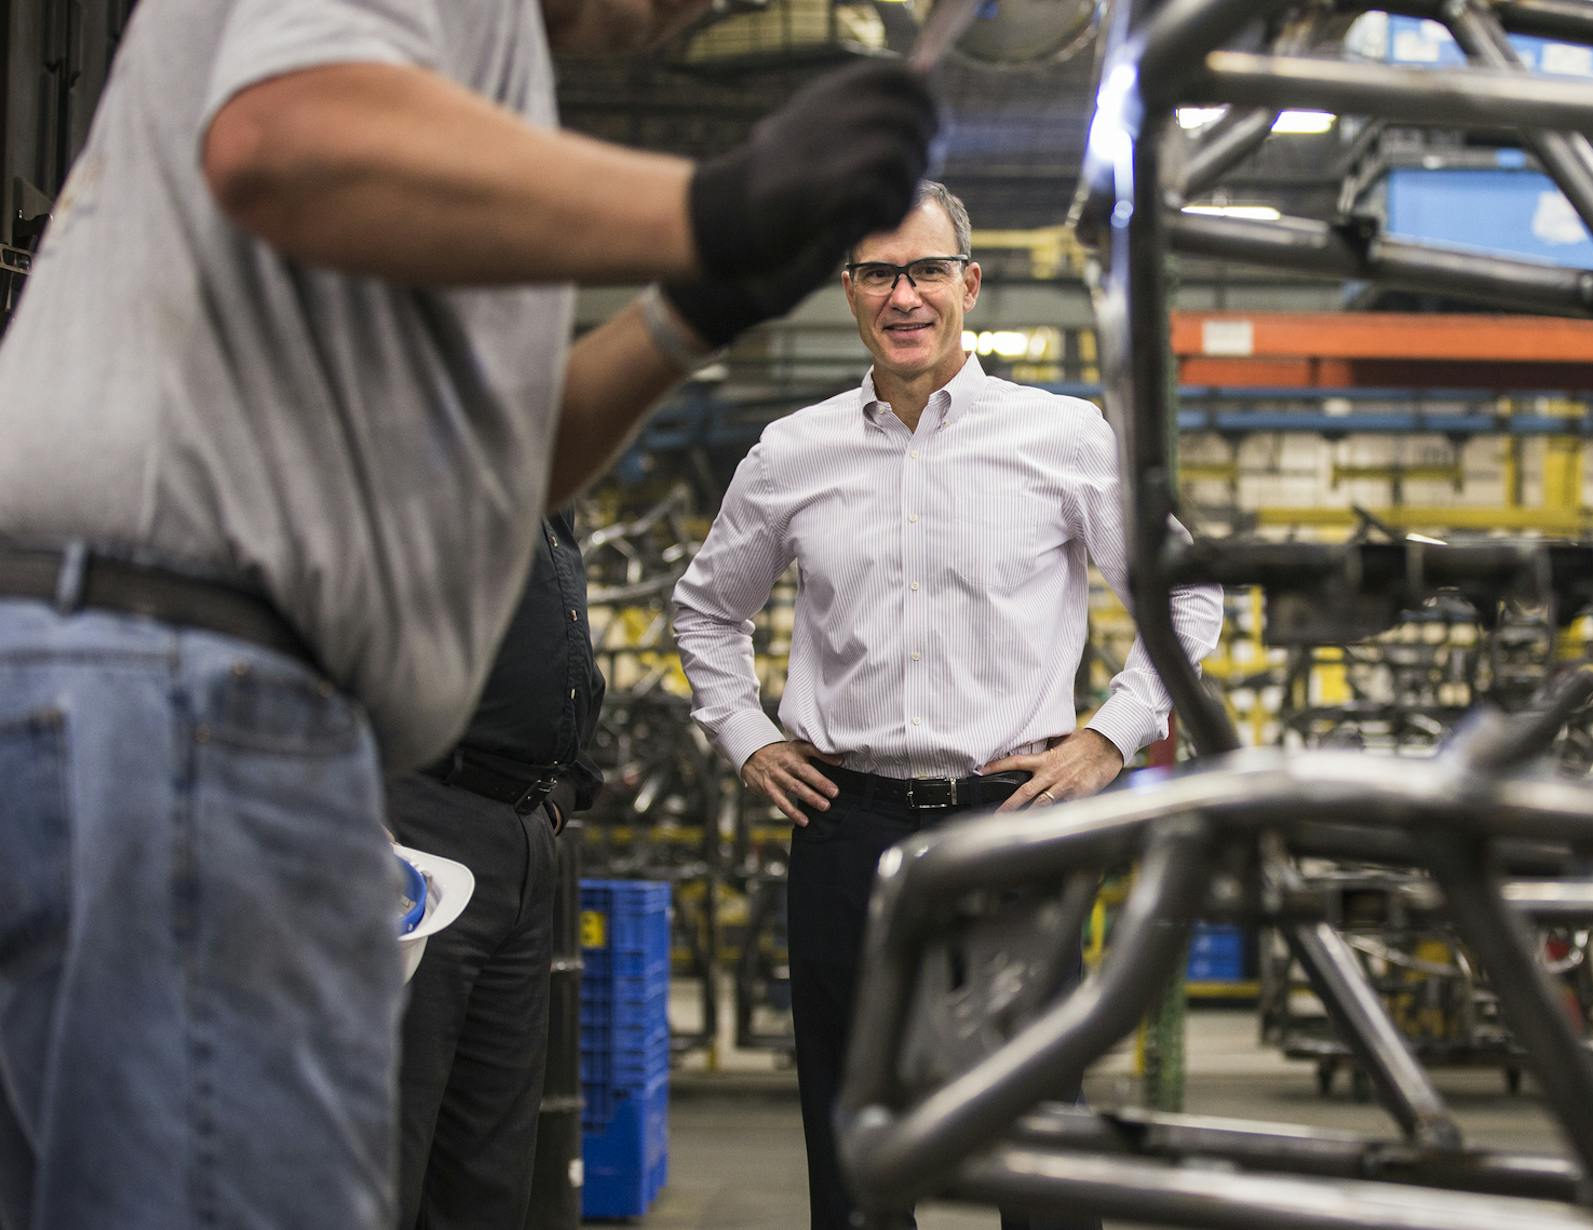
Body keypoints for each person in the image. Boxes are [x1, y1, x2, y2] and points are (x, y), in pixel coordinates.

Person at [0, 1, 936, 1226]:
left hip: (177, 694)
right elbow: (284, 137)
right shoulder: (420, 60)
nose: (692, 10)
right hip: (179, 685)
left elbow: (500, 473)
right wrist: (714, 202)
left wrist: (690, 309)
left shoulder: (479, 111)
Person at [670, 182, 1224, 1230]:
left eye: (926, 270)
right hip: (845, 823)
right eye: (878, 273)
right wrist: (746, 735)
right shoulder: (792, 453)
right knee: (852, 1121)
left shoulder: (1062, 438)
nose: (904, 295)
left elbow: (1187, 596)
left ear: (969, 284)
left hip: (1013, 818)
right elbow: (704, 613)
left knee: (1033, 1116)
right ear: (848, 292)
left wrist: (1108, 739)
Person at [390, 510, 603, 1230]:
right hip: (420, 824)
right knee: (391, 1136)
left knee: (490, 1160)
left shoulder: (550, 499)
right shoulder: (424, 455)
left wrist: (561, 793)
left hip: (519, 832)